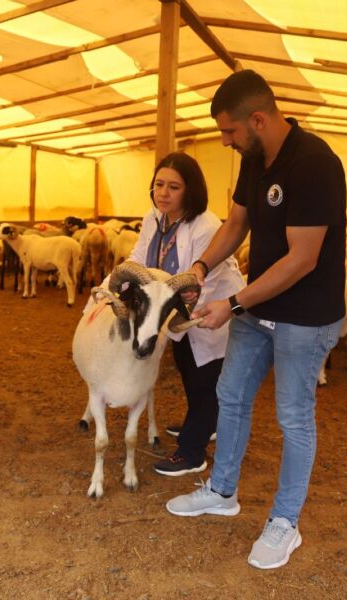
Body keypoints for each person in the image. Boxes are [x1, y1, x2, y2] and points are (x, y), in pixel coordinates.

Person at [164, 70, 346, 570]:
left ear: (258, 119)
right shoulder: (254, 159)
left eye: (229, 132)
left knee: (293, 417)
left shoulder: (315, 165)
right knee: (230, 396)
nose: (226, 141)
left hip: (304, 319)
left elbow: (302, 259)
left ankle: (285, 522)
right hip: (258, 309)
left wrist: (234, 304)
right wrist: (200, 267)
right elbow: (237, 222)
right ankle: (222, 491)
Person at [125, 152, 243, 477]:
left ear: (189, 191)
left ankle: (192, 452)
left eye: (173, 187)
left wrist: (160, 319)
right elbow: (138, 255)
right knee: (187, 367)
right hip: (173, 307)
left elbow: (202, 282)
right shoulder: (154, 217)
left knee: (203, 376)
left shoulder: (205, 226)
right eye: (159, 184)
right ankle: (204, 424)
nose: (163, 193)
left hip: (207, 308)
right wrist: (120, 281)